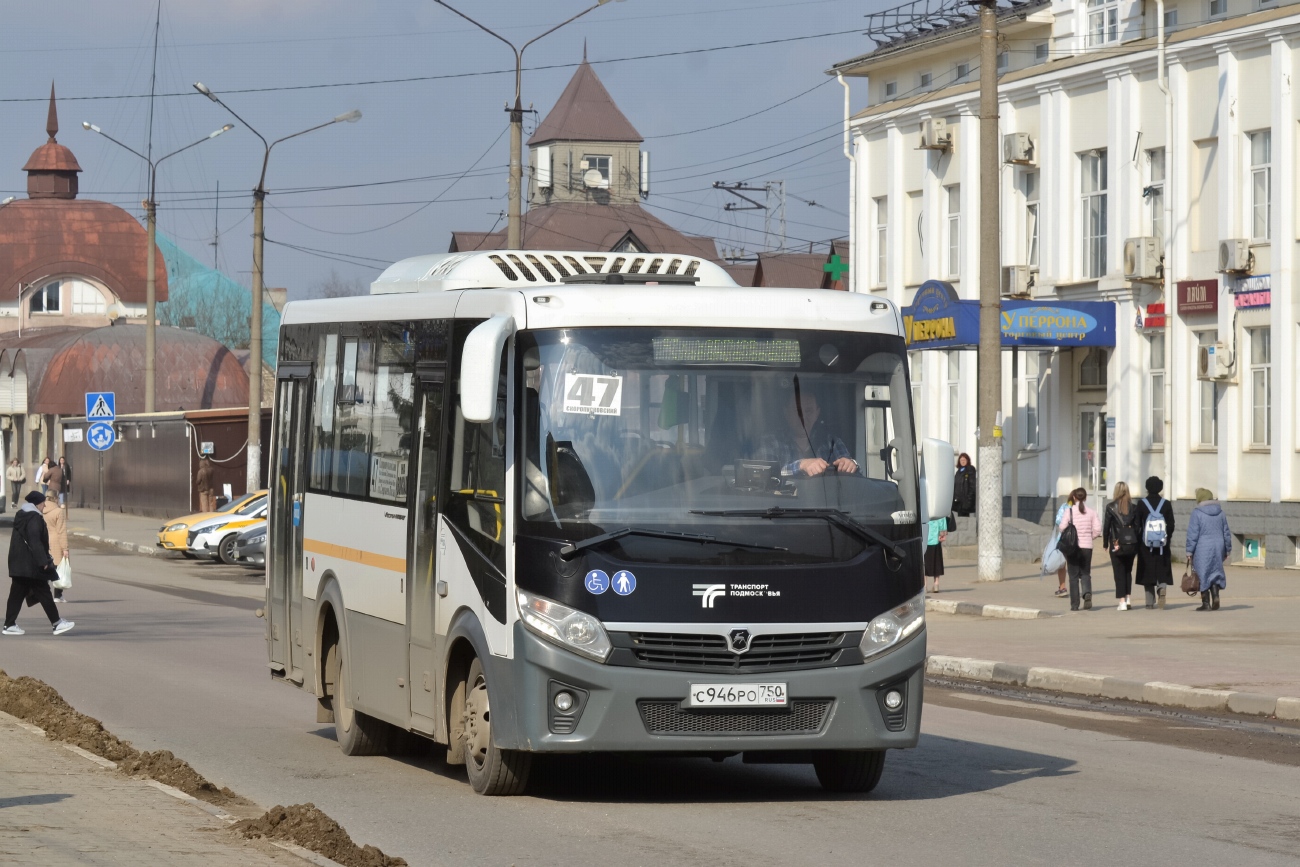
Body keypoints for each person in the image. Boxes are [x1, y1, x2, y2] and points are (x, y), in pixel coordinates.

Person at [3, 491, 73, 636]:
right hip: (31, 565)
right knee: (44, 593)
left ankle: (9, 624)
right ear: (37, 504)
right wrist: (43, 561)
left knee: (16, 594)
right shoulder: (34, 518)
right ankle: (57, 623)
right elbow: (35, 541)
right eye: (42, 503)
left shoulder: (21, 516)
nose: (44, 505)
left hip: (19, 564)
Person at [756, 387, 859, 478]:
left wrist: (850, 465)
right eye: (797, 411)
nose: (803, 417)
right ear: (786, 413)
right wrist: (801, 465)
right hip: (783, 501)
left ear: (817, 413)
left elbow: (859, 480)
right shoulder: (770, 442)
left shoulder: (832, 443)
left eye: (809, 410)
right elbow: (765, 476)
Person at [1186, 487, 1232, 612]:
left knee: (1202, 573)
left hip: (1202, 547)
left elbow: (1193, 534)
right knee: (1215, 570)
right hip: (1218, 546)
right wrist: (1227, 549)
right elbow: (1226, 532)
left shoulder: (1197, 513)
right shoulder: (1221, 512)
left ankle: (1205, 603)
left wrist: (1189, 551)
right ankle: (1216, 596)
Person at [1058, 486, 1103, 611]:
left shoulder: (1069, 511)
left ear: (1074, 497)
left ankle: (1074, 604)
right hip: (1087, 547)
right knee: (1085, 573)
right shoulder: (1092, 512)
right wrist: (1090, 537)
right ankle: (1087, 593)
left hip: (1073, 547)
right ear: (1085, 498)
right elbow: (1098, 529)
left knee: (1073, 576)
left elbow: (1062, 527)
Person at [1135, 475, 1175, 609]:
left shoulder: (1141, 504)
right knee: (1162, 568)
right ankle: (1162, 588)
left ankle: (1149, 602)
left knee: (1147, 570)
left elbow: (1137, 525)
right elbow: (1171, 524)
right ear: (1160, 488)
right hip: (1162, 543)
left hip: (1146, 544)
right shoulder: (1166, 503)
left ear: (1147, 488)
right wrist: (1165, 538)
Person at [1103, 481, 1140, 610]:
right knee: (1128, 571)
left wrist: (1105, 544)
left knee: (1119, 572)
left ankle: (1122, 601)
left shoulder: (1110, 507)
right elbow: (1137, 527)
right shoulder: (1134, 507)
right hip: (1131, 544)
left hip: (1116, 544)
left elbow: (1106, 527)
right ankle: (1128, 598)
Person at [1046, 491, 1076, 598]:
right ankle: (1074, 587)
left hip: (1064, 540)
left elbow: (1058, 521)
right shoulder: (1082, 509)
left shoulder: (1064, 507)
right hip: (1077, 541)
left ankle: (1063, 587)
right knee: (1072, 564)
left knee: (1062, 564)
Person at [42, 492, 69, 603]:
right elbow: (61, 531)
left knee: (46, 566)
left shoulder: (41, 510)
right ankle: (58, 595)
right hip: (56, 541)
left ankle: (43, 593)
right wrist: (65, 548)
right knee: (59, 568)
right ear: (55, 498)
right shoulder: (59, 512)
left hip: (44, 539)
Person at [925, 516, 947, 593]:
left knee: (924, 562)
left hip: (924, 538)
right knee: (937, 561)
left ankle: (924, 585)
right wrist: (943, 533)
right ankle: (936, 584)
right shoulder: (936, 505)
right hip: (936, 538)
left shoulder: (923, 504)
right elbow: (942, 518)